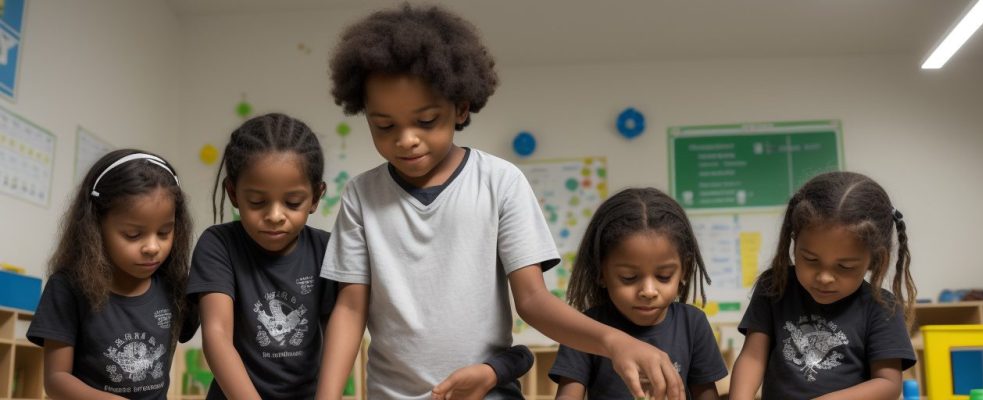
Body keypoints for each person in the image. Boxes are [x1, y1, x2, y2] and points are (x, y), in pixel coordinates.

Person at [317, 4, 685, 399]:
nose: (406, 139)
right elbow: (351, 310)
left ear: (459, 108)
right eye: (385, 125)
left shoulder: (500, 181)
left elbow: (532, 300)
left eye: (426, 121)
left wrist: (616, 342)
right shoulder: (361, 195)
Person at [729, 171, 917, 400]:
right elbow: (752, 358)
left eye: (845, 267)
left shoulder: (882, 306)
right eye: (810, 260)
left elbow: (887, 384)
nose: (825, 277)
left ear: (876, 260)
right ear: (794, 241)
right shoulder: (775, 285)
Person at [187, 113, 337, 399]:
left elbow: (336, 338)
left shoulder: (326, 250)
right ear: (233, 193)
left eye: (292, 203)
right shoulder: (218, 245)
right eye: (257, 202)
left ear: (316, 198)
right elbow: (216, 336)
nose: (275, 216)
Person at [28, 149, 196, 399]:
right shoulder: (67, 287)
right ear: (95, 227)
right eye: (133, 234)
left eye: (164, 232)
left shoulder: (174, 285)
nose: (152, 247)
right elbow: (56, 380)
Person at [549, 188, 727, 400]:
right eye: (628, 277)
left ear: (684, 270)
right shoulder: (585, 328)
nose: (648, 292)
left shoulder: (693, 323)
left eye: (664, 276)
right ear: (601, 272)